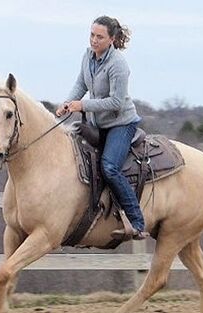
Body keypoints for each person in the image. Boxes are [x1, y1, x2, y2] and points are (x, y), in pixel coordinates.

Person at [56, 15, 148, 240]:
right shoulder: (87, 56)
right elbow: (80, 84)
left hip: (120, 124)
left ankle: (136, 221)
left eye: (99, 37)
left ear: (112, 39)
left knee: (109, 167)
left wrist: (83, 105)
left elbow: (116, 102)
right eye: (92, 35)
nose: (94, 40)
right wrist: (68, 104)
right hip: (98, 123)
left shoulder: (118, 64)